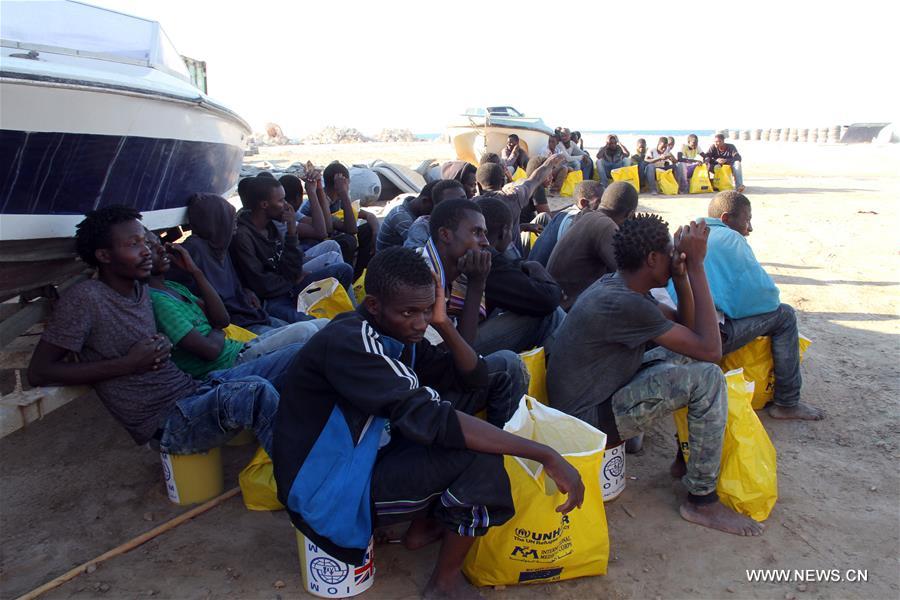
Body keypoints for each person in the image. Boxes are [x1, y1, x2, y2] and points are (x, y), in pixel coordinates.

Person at [272, 247, 584, 598]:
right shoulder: (351, 344)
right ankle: (444, 584)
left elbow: (474, 377)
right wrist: (545, 454)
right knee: (480, 458)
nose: (420, 322)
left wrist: (441, 322)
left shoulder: (400, 333)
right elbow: (435, 418)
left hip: (363, 454)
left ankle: (423, 525)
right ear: (373, 305)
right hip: (328, 489)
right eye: (409, 312)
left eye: (425, 310)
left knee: (481, 387)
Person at [547, 214, 765, 536]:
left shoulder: (624, 287)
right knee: (709, 378)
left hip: (600, 396)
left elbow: (689, 332)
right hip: (588, 421)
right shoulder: (621, 302)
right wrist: (697, 267)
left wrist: (679, 278)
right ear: (652, 259)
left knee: (684, 355)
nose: (676, 254)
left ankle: (686, 458)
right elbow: (711, 349)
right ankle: (701, 501)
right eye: (669, 251)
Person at [27, 205, 299, 456]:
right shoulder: (86, 299)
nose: (146, 250)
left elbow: (217, 320)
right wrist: (127, 364)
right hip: (167, 422)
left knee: (301, 352)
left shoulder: (140, 289)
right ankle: (302, 477)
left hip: (195, 390)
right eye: (134, 244)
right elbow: (40, 371)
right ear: (104, 255)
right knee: (256, 392)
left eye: (145, 242)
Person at [702, 191, 822, 420]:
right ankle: (787, 403)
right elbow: (767, 298)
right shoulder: (731, 239)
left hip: (681, 328)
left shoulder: (692, 231)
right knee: (785, 314)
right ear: (726, 219)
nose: (750, 228)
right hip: (709, 337)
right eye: (747, 220)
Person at [147, 232, 325, 378]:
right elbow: (211, 350)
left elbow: (222, 319)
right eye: (150, 247)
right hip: (227, 367)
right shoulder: (159, 301)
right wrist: (216, 329)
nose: (161, 250)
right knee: (306, 332)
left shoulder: (173, 287)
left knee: (323, 324)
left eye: (158, 243)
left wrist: (196, 272)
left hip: (237, 348)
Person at [230, 176, 353, 324]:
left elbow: (292, 265)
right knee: (317, 324)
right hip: (271, 299)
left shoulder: (272, 226)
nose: (287, 205)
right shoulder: (243, 237)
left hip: (288, 285)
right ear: (264, 204)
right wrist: (293, 279)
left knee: (344, 270)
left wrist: (291, 232)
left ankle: (353, 316)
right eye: (281, 200)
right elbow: (262, 284)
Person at [170, 193, 284, 334]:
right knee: (305, 332)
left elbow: (233, 282)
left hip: (247, 312)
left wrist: (244, 290)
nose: (235, 224)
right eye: (230, 219)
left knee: (308, 329)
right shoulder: (194, 249)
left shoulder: (220, 243)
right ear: (217, 221)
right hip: (234, 325)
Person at [473, 196, 565, 355]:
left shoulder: (476, 250)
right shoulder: (485, 258)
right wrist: (536, 268)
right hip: (459, 349)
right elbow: (547, 300)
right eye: (513, 227)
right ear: (504, 232)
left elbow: (510, 268)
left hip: (458, 337)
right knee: (547, 314)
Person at [547, 182, 638, 310]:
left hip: (556, 303)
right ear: (630, 214)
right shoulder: (604, 225)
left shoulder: (584, 215)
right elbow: (629, 278)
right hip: (566, 311)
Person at [474, 154, 567, 257]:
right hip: (513, 260)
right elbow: (535, 179)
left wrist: (524, 226)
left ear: (478, 185)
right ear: (503, 181)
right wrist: (549, 163)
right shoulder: (513, 197)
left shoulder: (472, 206)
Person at [317, 162, 380, 277]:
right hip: (321, 245)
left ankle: (360, 276)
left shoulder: (337, 199)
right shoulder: (322, 200)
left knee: (368, 229)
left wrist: (376, 232)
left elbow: (369, 216)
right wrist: (344, 193)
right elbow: (351, 229)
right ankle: (349, 278)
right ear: (344, 182)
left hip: (333, 239)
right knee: (348, 240)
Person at [278, 174, 350, 274]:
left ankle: (344, 288)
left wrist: (319, 188)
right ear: (298, 198)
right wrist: (311, 192)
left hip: (295, 259)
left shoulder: (291, 211)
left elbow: (326, 226)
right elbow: (322, 232)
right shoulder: (281, 218)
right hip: (289, 270)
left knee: (333, 244)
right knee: (336, 258)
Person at [528, 180, 605, 267]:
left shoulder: (569, 213)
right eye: (600, 202)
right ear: (583, 203)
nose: (605, 205)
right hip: (543, 276)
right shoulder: (575, 221)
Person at [404, 179, 468, 250]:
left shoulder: (470, 221)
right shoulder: (423, 226)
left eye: (463, 199)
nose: (461, 205)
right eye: (452, 203)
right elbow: (414, 256)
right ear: (437, 206)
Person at [376, 181, 439, 251]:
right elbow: (421, 249)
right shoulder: (401, 217)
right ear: (425, 201)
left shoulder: (413, 213)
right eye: (437, 208)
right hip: (389, 260)